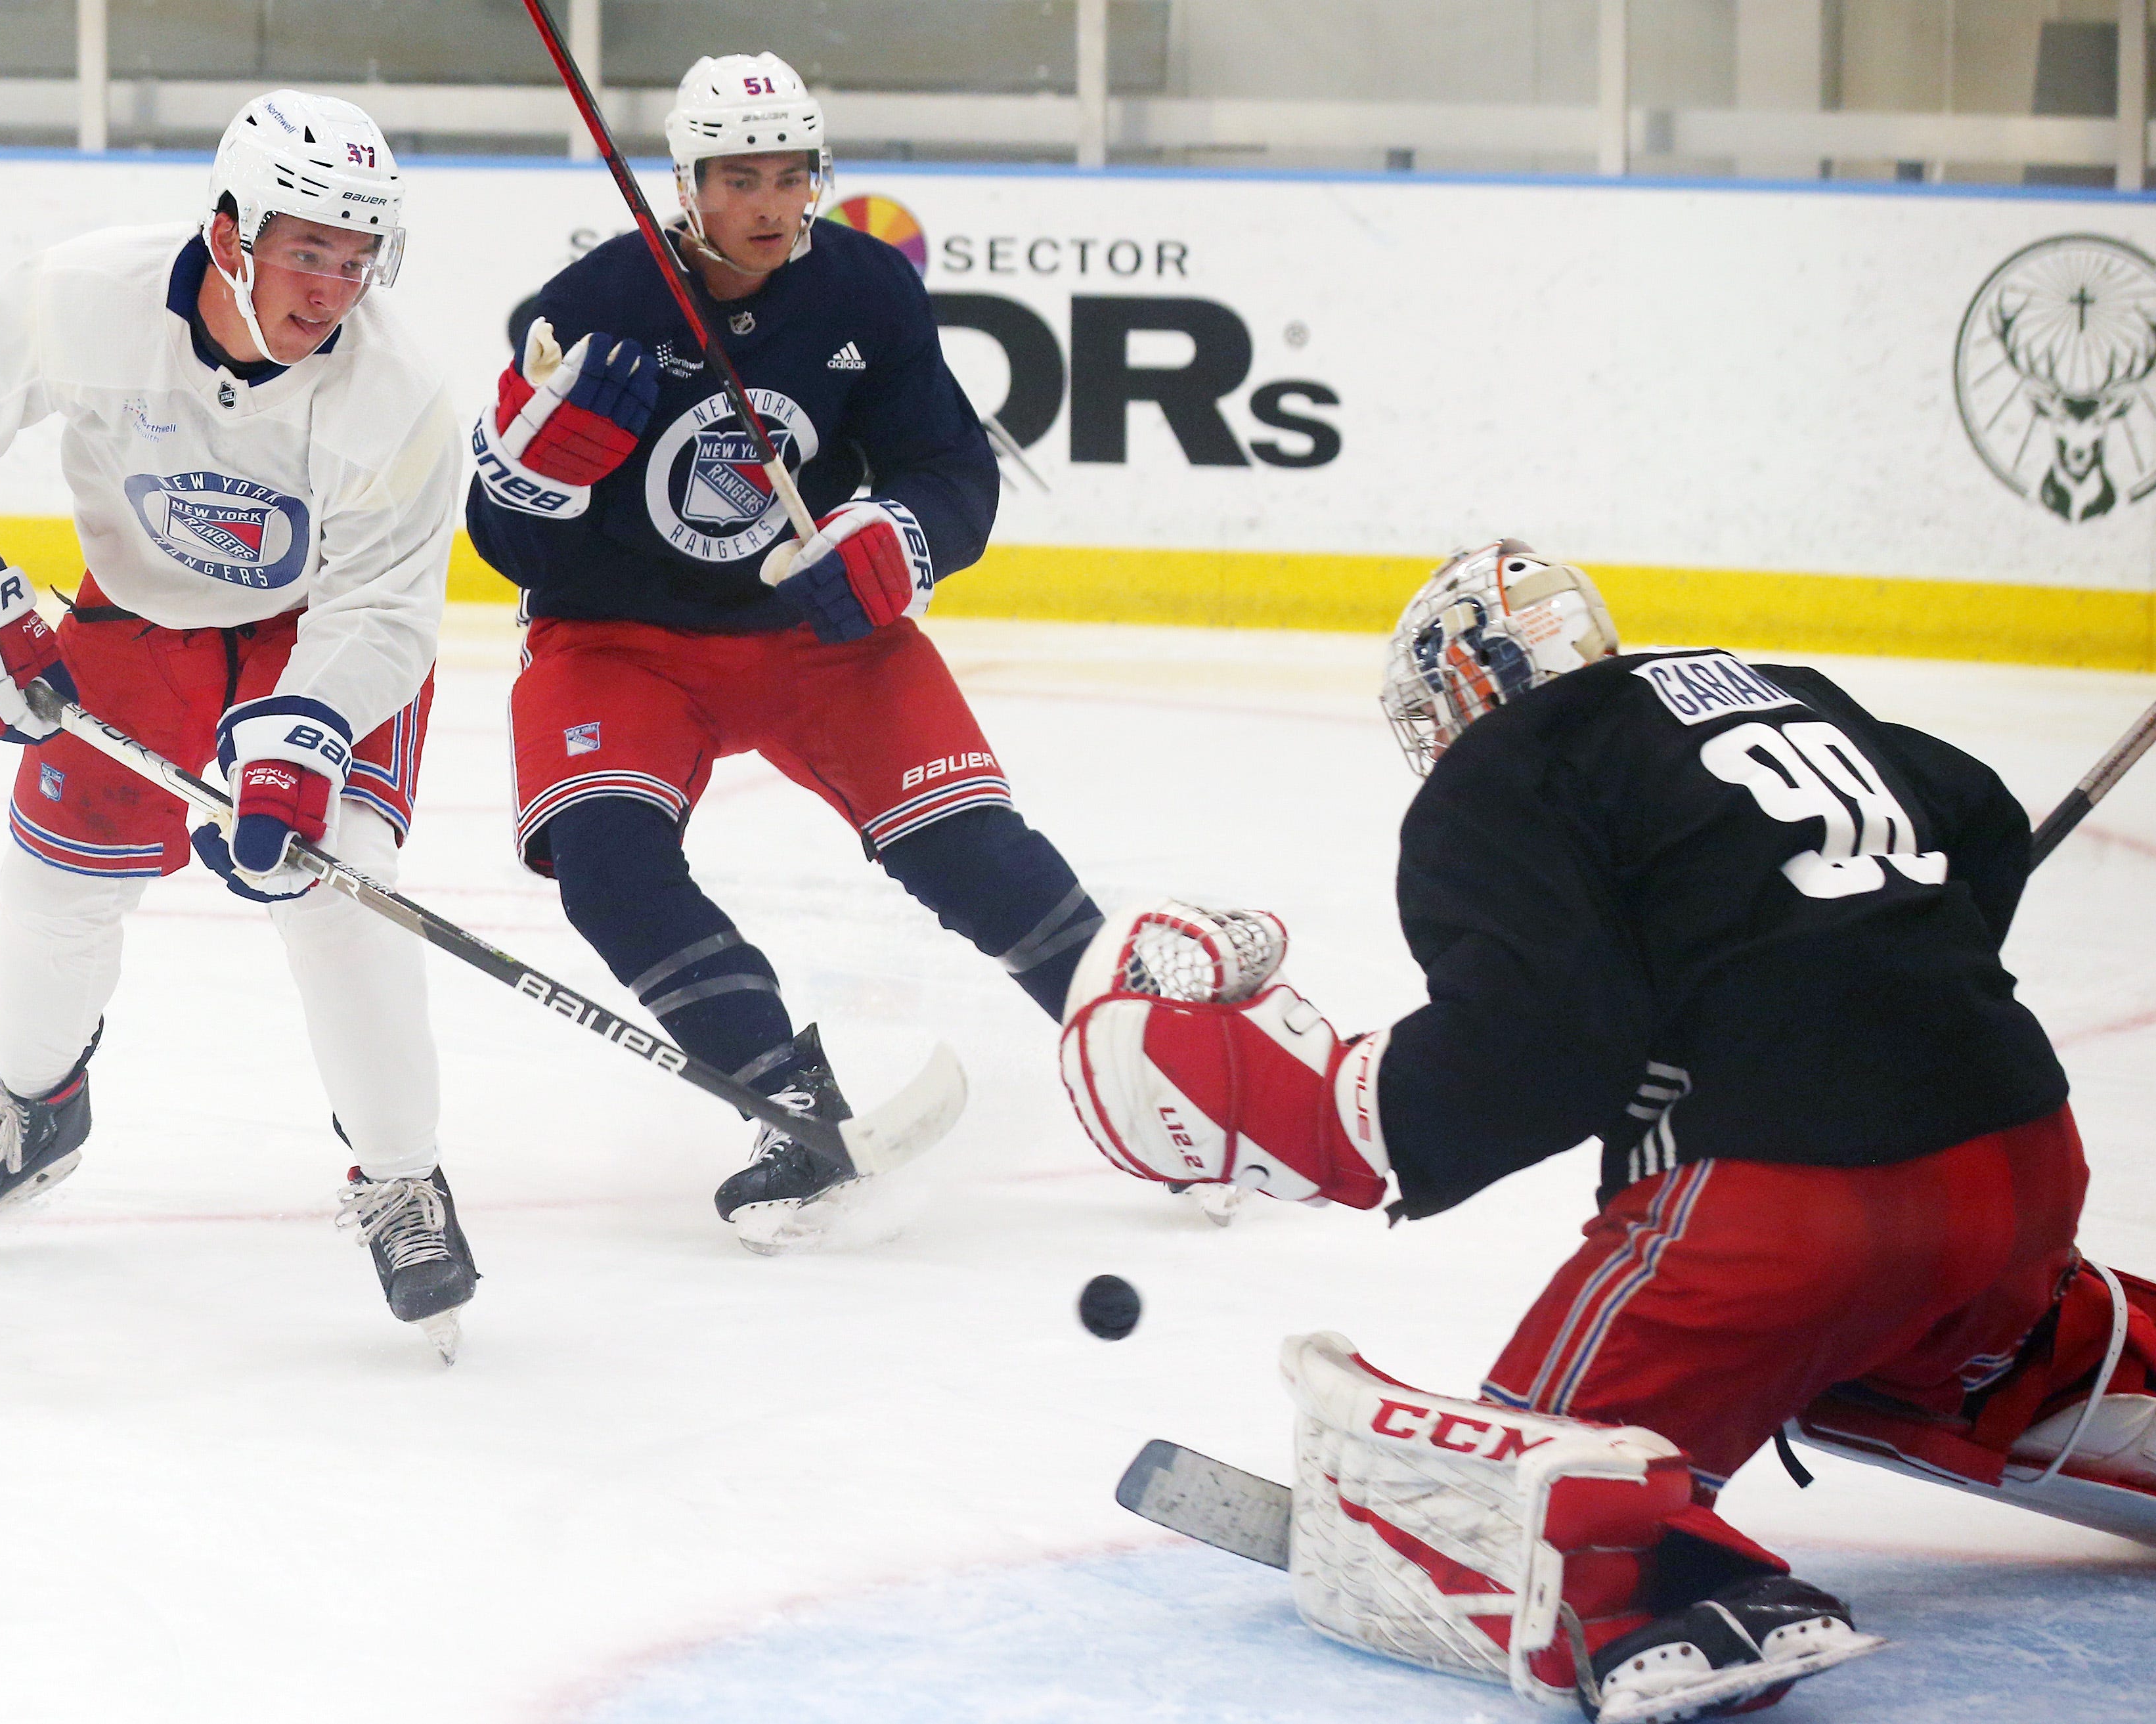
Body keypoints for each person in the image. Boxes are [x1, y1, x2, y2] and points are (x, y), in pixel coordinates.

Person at [1057, 541, 2156, 1720]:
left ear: (1466, 687)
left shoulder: (1510, 765)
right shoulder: (1775, 686)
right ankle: (2064, 1362)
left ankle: (1650, 1585)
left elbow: (1538, 1044)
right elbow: (1982, 818)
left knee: (1544, 1479)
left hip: (1777, 1215)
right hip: (2023, 1169)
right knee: (1939, 1319)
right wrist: (1891, 965)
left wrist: (1341, 1115)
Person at [0, 90, 479, 1356]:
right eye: (308, 249)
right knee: (53, 875)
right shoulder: (85, 295)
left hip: (323, 639)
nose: (333, 286)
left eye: (358, 257)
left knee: (340, 882)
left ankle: (403, 1178)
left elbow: (383, 609)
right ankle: (35, 1111)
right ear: (229, 230)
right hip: (140, 614)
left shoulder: (401, 391)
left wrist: (300, 740)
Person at [464, 53, 1103, 1252]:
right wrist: (542, 474)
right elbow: (502, 542)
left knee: (974, 852)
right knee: (606, 863)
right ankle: (782, 1093)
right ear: (685, 183)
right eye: (739, 178)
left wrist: (899, 538)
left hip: (818, 636)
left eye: (790, 176)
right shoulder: (592, 306)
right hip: (618, 642)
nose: (769, 204)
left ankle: (1158, 1062)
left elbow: (952, 470)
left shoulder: (865, 290)